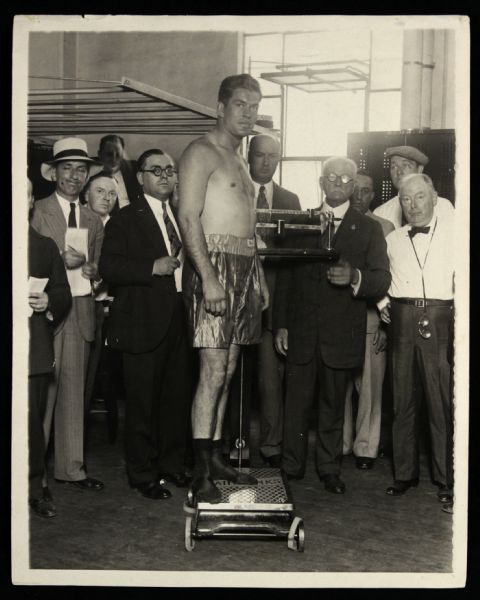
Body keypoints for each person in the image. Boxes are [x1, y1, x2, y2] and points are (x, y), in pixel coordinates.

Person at [273, 156, 391, 494]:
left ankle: (328, 468)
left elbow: (382, 279)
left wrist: (355, 276)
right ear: (322, 183)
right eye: (331, 177)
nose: (338, 183)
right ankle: (291, 467)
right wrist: (280, 324)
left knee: (332, 406)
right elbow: (285, 277)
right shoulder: (301, 223)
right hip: (301, 331)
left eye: (345, 178)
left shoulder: (368, 228)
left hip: (341, 334)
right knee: (295, 404)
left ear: (354, 187)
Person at [178, 73, 269, 503]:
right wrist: (209, 277)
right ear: (220, 107)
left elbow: (247, 230)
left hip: (244, 268)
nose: (248, 114)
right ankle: (199, 476)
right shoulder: (201, 152)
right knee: (212, 371)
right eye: (240, 105)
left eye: (255, 107)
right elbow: (188, 218)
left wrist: (259, 276)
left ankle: (213, 457)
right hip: (211, 268)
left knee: (230, 369)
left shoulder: (240, 161)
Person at [99, 149, 192, 499]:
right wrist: (150, 267)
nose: (165, 176)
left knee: (175, 399)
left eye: (170, 170)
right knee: (141, 404)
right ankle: (142, 474)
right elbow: (109, 267)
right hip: (140, 323)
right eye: (156, 170)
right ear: (140, 178)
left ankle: (171, 465)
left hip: (178, 321)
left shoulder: (182, 216)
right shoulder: (126, 218)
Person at [30, 137, 105, 491]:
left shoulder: (94, 218)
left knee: (74, 393)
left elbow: (101, 267)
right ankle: (34, 476)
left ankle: (72, 468)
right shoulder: (36, 209)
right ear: (53, 173)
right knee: (41, 396)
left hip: (81, 309)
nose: (74, 176)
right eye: (67, 169)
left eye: (80, 170)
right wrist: (60, 257)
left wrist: (92, 269)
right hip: (43, 310)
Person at [379, 173, 454, 504]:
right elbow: (379, 275)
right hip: (403, 318)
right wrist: (382, 303)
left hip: (441, 317)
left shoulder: (455, 234)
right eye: (406, 199)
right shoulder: (392, 240)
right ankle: (404, 474)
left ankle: (446, 477)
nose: (413, 205)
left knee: (441, 399)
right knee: (402, 400)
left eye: (420, 197)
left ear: (435, 197)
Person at [248, 133, 301, 467]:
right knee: (234, 378)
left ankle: (271, 445)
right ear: (248, 156)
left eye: (274, 156)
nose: (267, 162)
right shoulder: (234, 193)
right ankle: (233, 442)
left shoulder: (290, 199)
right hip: (238, 301)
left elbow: (293, 264)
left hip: (274, 304)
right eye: (261, 155)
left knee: (271, 381)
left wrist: (283, 319)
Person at [343, 170, 394, 470]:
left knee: (370, 388)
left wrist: (387, 324)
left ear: (373, 195)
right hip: (342, 317)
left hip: (373, 318)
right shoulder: (338, 224)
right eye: (356, 190)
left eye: (366, 191)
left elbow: (391, 279)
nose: (359, 197)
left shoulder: (385, 227)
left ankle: (366, 447)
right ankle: (343, 443)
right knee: (341, 385)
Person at [28, 178, 72, 517]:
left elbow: (63, 292)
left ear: (31, 202)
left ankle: (34, 486)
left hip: (31, 352)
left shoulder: (43, 247)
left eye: (25, 195)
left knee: (31, 424)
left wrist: (48, 300)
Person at [83, 173, 119, 426]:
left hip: (110, 312)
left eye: (112, 193)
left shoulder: (118, 227)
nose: (106, 198)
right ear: (86, 194)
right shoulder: (77, 222)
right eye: (100, 191)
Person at [373, 145, 454, 229]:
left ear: (419, 170)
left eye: (405, 165)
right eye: (394, 167)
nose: (399, 172)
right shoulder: (381, 213)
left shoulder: (443, 207)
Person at [97, 134, 140, 211]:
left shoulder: (134, 169)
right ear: (100, 155)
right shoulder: (94, 179)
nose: (114, 159)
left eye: (118, 154)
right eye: (109, 154)